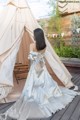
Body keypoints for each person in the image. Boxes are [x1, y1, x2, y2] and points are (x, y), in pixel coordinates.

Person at [0, 28, 79, 120]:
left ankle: (39, 97)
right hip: (42, 67)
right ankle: (47, 96)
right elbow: (42, 57)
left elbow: (31, 59)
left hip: (35, 68)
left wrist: (30, 68)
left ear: (35, 35)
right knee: (45, 83)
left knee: (33, 85)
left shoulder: (32, 45)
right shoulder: (44, 46)